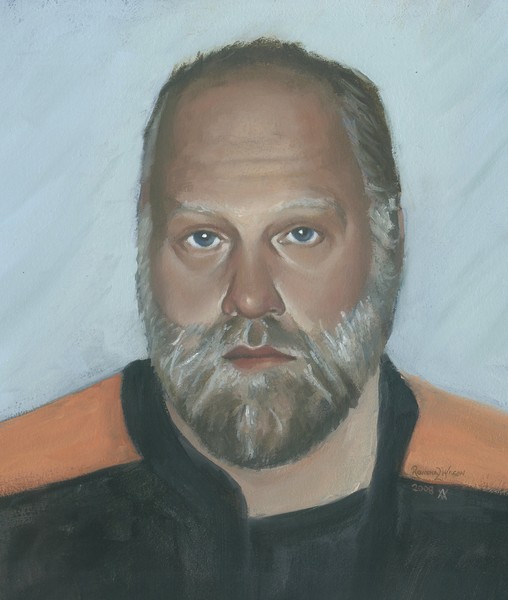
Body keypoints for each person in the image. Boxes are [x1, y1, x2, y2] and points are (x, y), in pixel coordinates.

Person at [0, 38, 507, 600]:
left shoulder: (493, 481)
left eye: (301, 234)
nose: (249, 297)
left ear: (390, 243)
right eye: (203, 238)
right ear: (146, 247)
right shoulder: (15, 492)